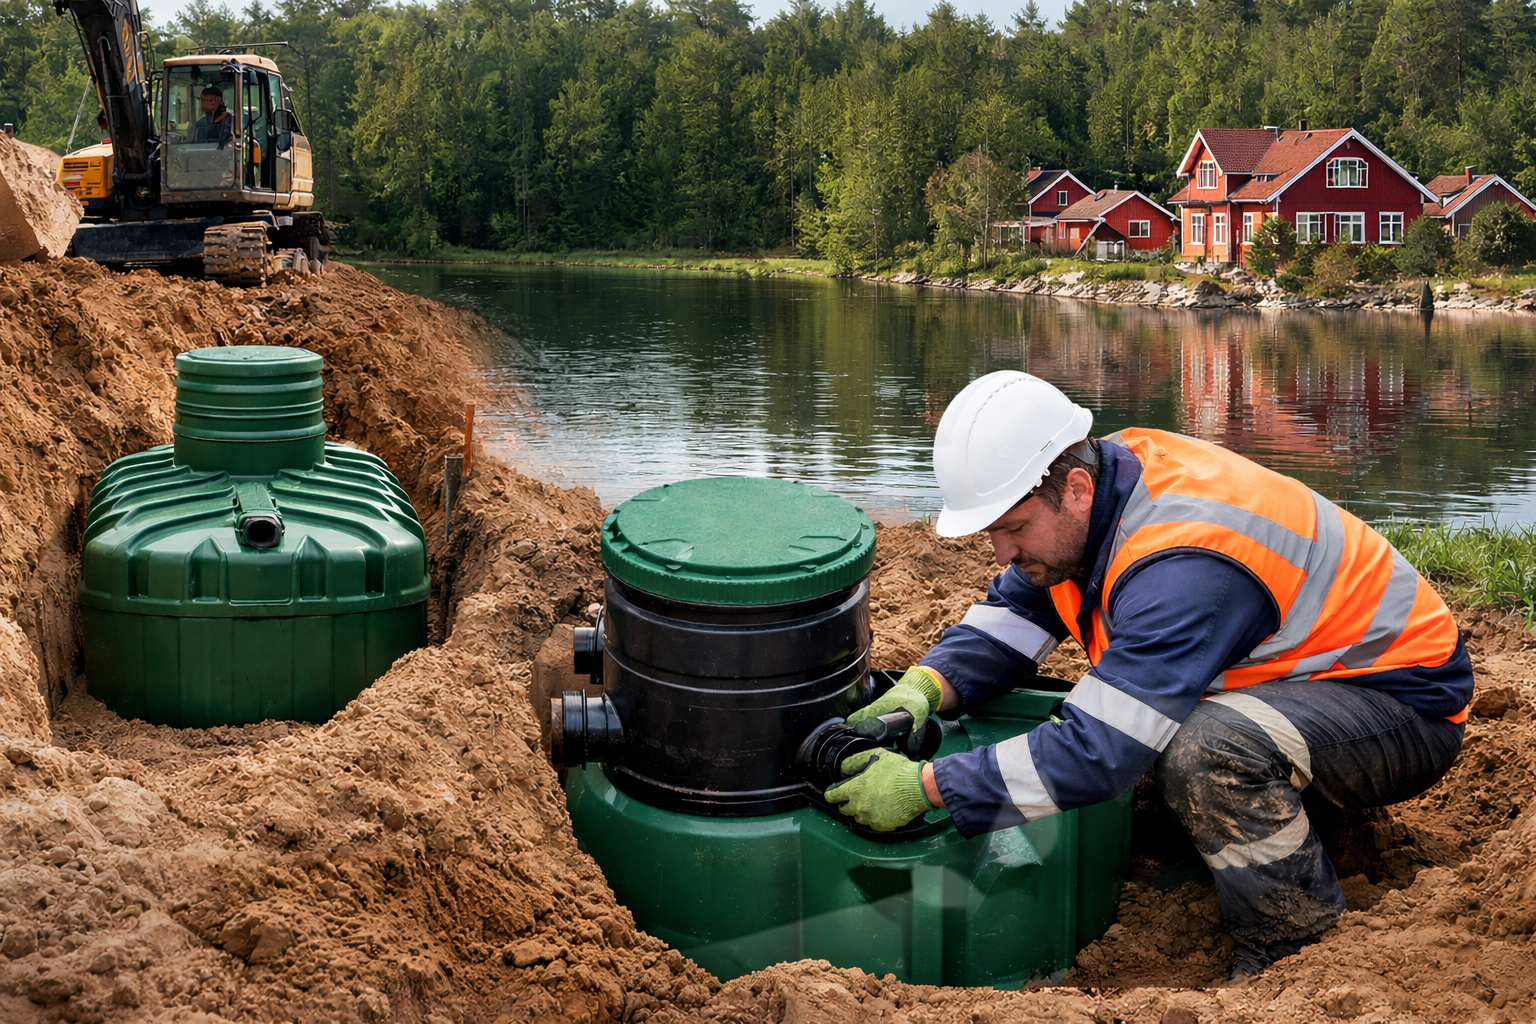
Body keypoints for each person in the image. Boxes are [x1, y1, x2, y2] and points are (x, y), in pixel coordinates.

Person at [825, 370, 1472, 977]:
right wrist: (925, 686)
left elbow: (1100, 751)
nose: (1003, 553)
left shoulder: (1179, 565)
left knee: (1205, 750)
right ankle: (1259, 832)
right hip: (1305, 678)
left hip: (1400, 703)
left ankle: (1291, 945)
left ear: (1074, 490)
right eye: (994, 532)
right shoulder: (1105, 485)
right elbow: (1017, 613)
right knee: (1152, 714)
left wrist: (930, 785)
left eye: (1014, 528)